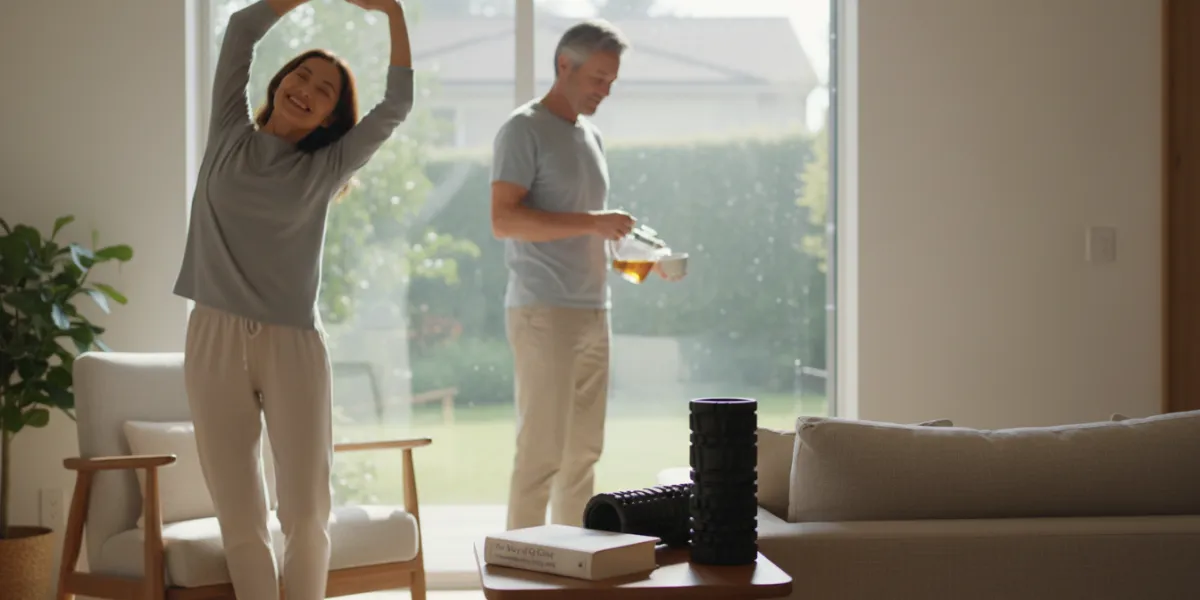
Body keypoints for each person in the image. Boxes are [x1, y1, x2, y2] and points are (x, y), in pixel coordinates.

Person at [171, 0, 412, 598]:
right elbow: (242, 28)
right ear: (280, 82)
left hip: (293, 344)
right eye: (301, 74)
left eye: (325, 90)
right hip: (214, 336)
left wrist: (393, 10)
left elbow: (397, 105)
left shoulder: (326, 167)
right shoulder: (228, 130)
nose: (307, 88)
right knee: (239, 514)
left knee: (305, 511)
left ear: (332, 118)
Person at [491, 19, 677, 531]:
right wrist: (593, 222)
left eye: (611, 81)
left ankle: (571, 570)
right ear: (563, 66)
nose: (605, 90)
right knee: (541, 455)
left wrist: (642, 252)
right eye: (597, 78)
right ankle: (522, 575)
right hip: (543, 311)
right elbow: (503, 219)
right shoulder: (522, 129)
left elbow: (586, 228)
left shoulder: (590, 135)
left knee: (583, 457)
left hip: (595, 309)